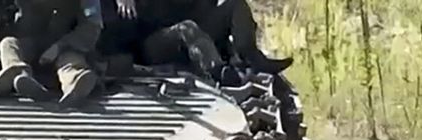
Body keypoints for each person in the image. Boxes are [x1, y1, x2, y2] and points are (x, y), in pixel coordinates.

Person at [100, 0, 289, 75]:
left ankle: (252, 57)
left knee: (236, 6)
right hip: (152, 44)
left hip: (195, 29)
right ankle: (220, 73)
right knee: (188, 29)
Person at [0, 0, 104, 104]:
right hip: (33, 45)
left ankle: (75, 83)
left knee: (71, 59)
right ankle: (19, 76)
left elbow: (91, 27)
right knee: (8, 44)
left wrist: (59, 47)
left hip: (67, 46)